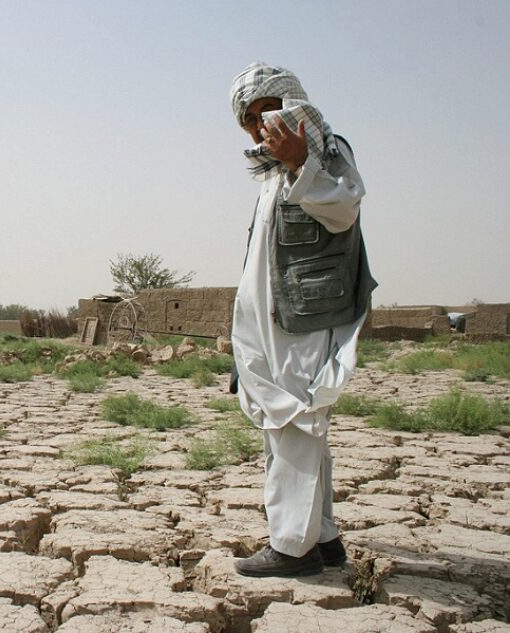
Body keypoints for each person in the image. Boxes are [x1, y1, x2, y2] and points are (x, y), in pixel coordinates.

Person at [228, 63, 377, 577]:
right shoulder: (272, 173)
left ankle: (293, 547)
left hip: (304, 321)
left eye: (266, 109)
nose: (257, 124)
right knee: (290, 425)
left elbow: (344, 209)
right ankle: (325, 538)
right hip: (272, 324)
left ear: (290, 103)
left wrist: (300, 164)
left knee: (295, 420)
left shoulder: (327, 151)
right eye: (247, 118)